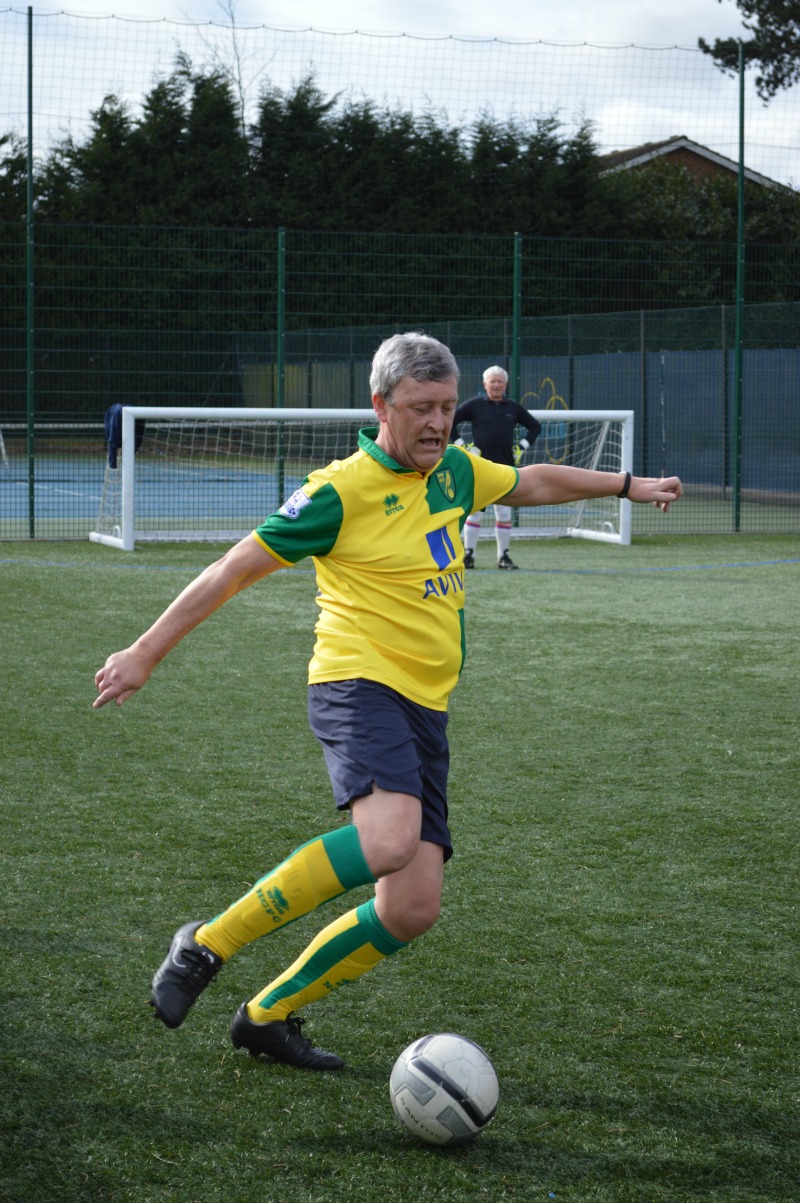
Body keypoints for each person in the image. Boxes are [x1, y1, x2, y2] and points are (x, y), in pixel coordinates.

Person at [93, 332, 682, 1072]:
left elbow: (528, 483)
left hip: (425, 705)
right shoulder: (339, 490)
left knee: (411, 905)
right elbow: (232, 569)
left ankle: (266, 1015)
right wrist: (145, 651)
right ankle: (207, 942)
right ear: (381, 406)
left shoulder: (458, 469)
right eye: (421, 409)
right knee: (390, 839)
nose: (439, 423)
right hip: (357, 682)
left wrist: (628, 486)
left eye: (446, 407)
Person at [451, 365, 542, 570]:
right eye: (492, 381)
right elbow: (450, 422)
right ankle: (468, 555)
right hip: (478, 469)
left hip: (505, 469)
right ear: (485, 384)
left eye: (500, 381)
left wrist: (521, 447)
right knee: (474, 513)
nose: (496, 385)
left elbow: (535, 426)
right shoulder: (474, 405)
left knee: (504, 514)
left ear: (505, 384)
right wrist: (462, 447)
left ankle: (503, 556)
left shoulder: (513, 408)